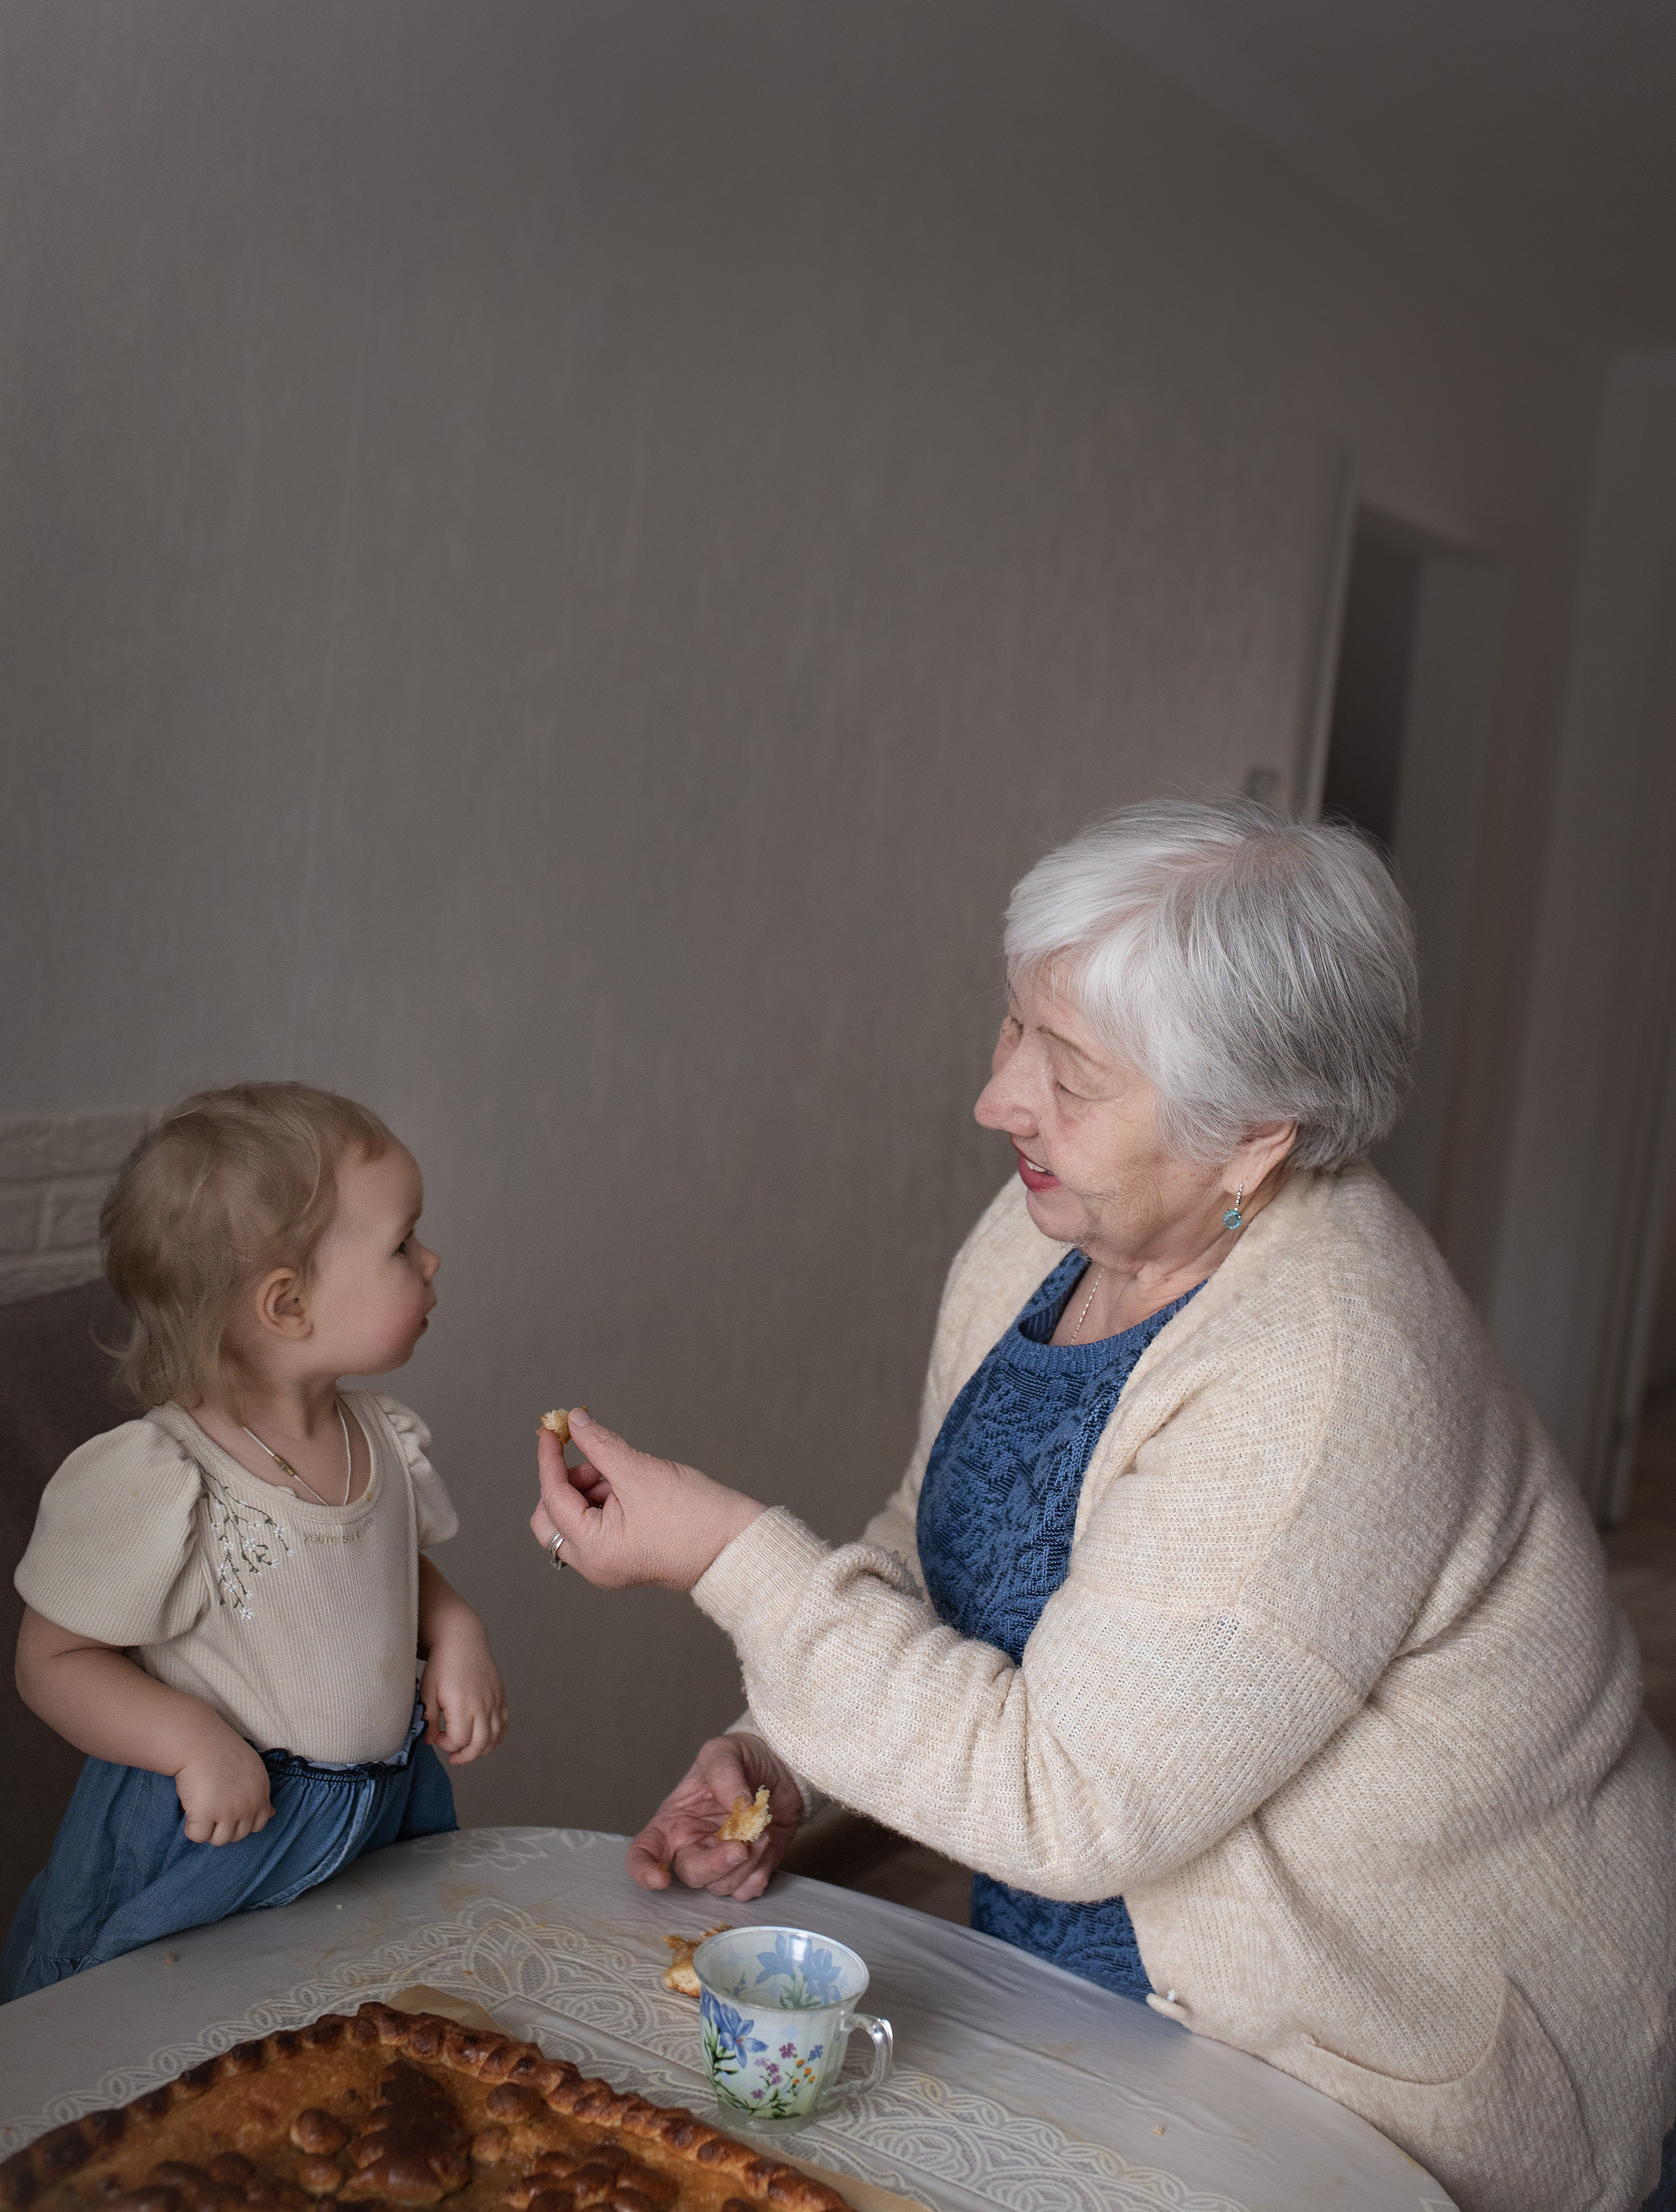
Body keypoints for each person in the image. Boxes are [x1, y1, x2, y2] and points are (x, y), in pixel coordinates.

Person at [532, 800, 1676, 2212]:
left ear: (1253, 1134)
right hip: (1091, 2004)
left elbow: (1065, 1800)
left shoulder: (1321, 1372)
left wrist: (726, 1556)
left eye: (1066, 1070)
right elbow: (943, 1545)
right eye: (1014, 1030)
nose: (997, 1098)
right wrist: (780, 1754)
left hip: (1378, 2065)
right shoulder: (1051, 1222)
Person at [4, 1081, 506, 2002]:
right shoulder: (166, 1479)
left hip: (378, 1807)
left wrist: (459, 1634)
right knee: (162, 2037)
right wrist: (192, 1741)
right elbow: (52, 1659)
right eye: (402, 1244)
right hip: (222, 1831)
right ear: (287, 1306)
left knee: (350, 2016)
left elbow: (394, 1569)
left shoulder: (380, 1437)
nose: (432, 1261)